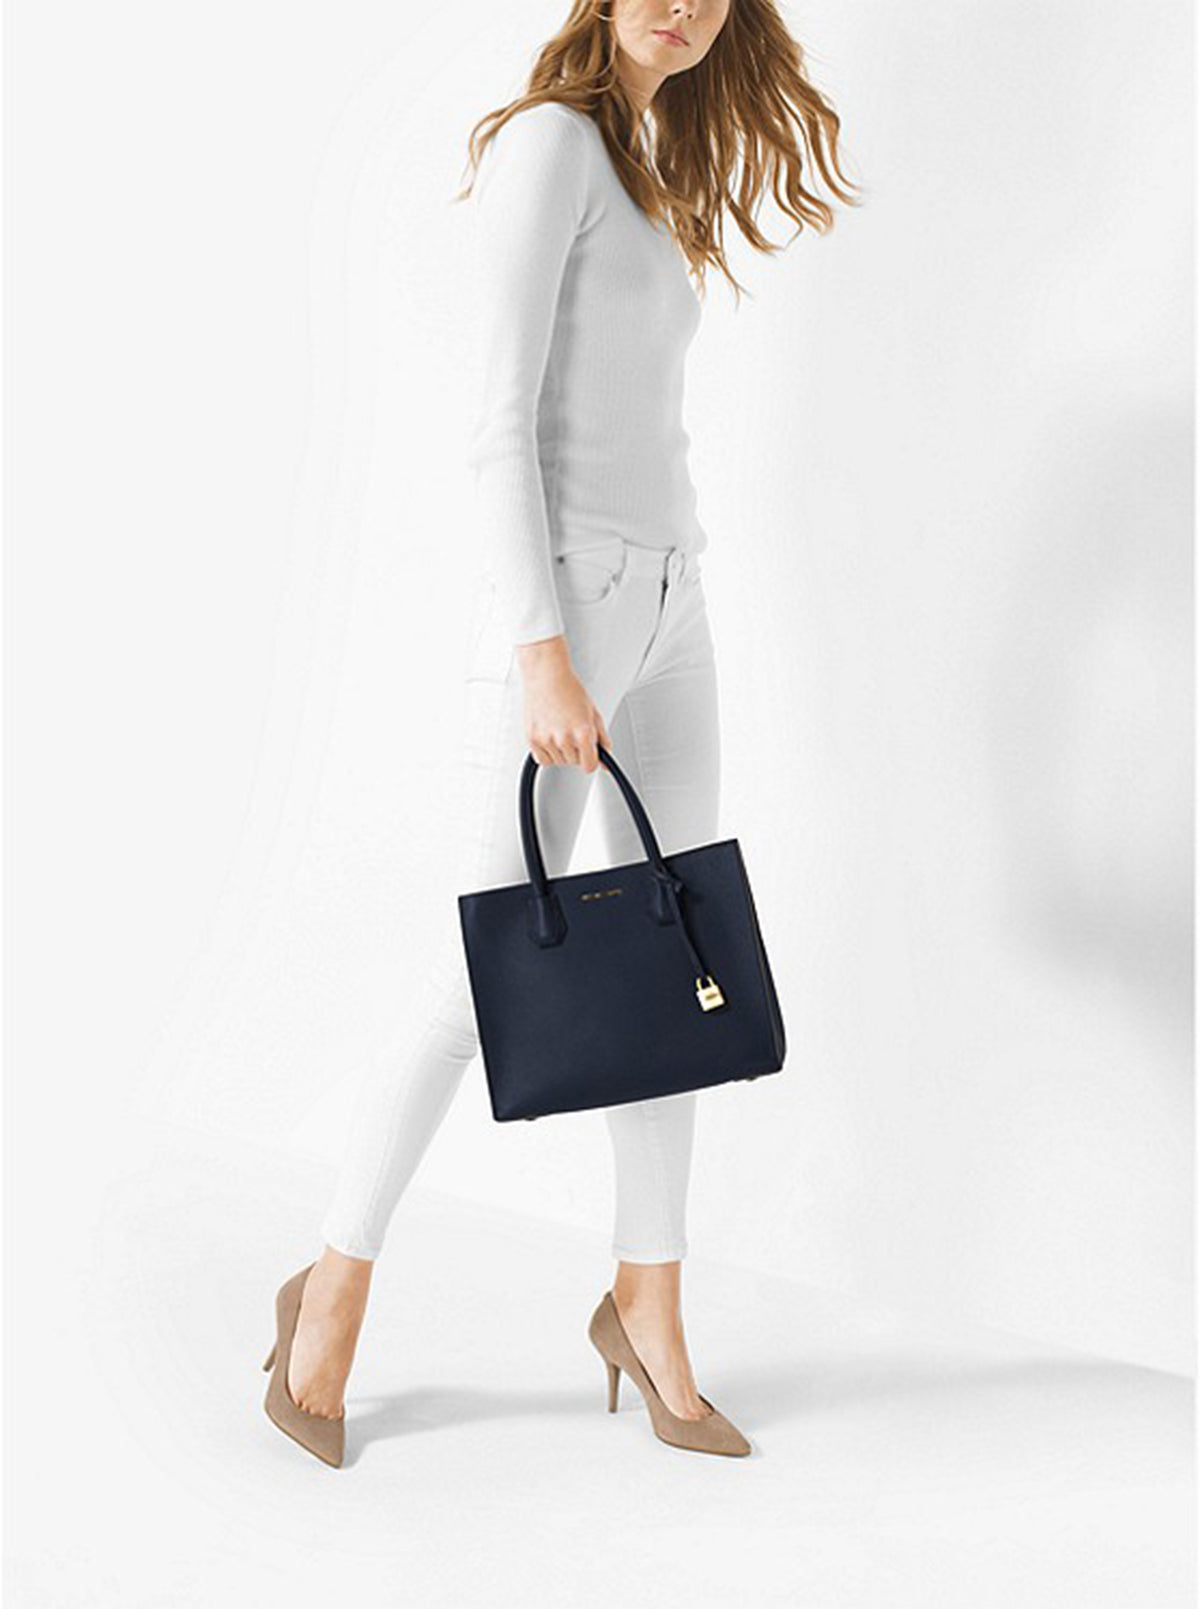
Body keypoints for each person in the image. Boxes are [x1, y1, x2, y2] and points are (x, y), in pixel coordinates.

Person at [261, 0, 857, 1468]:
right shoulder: (550, 148)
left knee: (672, 957)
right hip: (569, 609)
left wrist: (659, 593)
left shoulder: (646, 165)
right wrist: (541, 653)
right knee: (485, 973)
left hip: (672, 602)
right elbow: (497, 421)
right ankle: (331, 1283)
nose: (684, 5)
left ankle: (648, 1303)